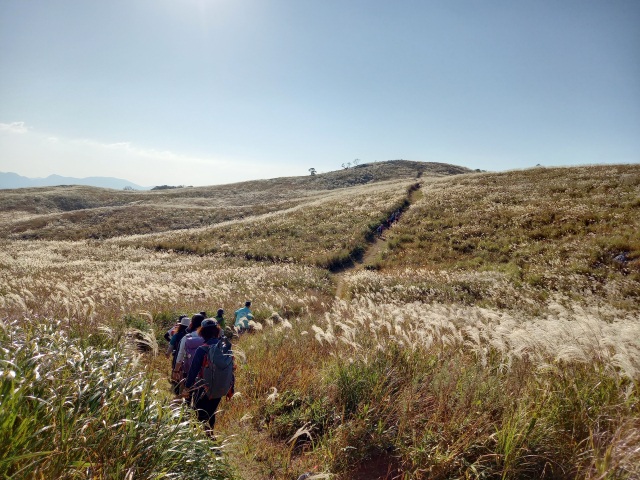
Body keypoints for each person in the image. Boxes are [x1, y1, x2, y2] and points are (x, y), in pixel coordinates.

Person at [184, 318, 222, 433]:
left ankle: (201, 437)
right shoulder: (224, 347)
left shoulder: (202, 349)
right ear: (217, 331)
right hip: (219, 387)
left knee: (199, 411)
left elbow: (193, 370)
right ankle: (210, 434)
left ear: (202, 332)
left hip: (203, 387)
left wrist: (187, 387)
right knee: (211, 411)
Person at [166, 316, 190, 394]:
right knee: (184, 375)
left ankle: (176, 390)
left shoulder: (177, 335)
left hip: (177, 356)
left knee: (176, 372)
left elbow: (171, 345)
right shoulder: (191, 336)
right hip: (188, 359)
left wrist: (168, 353)